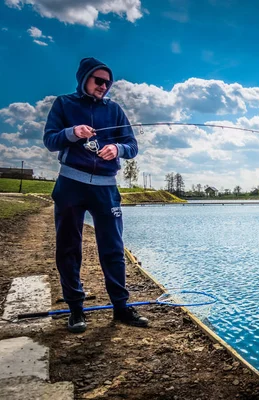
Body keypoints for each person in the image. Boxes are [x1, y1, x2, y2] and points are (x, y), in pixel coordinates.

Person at [43, 57, 148, 333]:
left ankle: (121, 307)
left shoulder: (114, 110)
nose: (104, 86)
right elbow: (50, 140)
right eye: (98, 80)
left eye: (107, 82)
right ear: (84, 79)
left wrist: (117, 149)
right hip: (70, 185)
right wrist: (72, 132)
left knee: (113, 248)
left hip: (106, 187)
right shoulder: (64, 104)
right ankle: (76, 309)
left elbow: (131, 145)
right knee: (68, 248)